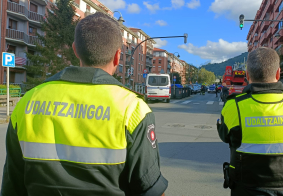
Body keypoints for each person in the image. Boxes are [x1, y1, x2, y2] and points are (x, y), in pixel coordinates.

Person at [1, 13, 167, 196]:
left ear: (75, 50)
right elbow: (150, 189)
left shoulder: (28, 102)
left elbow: (12, 185)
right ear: (118, 56)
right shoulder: (133, 109)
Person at [217, 47, 283, 196]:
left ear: (247, 75)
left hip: (247, 188)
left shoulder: (233, 106)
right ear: (277, 73)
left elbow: (225, 136)